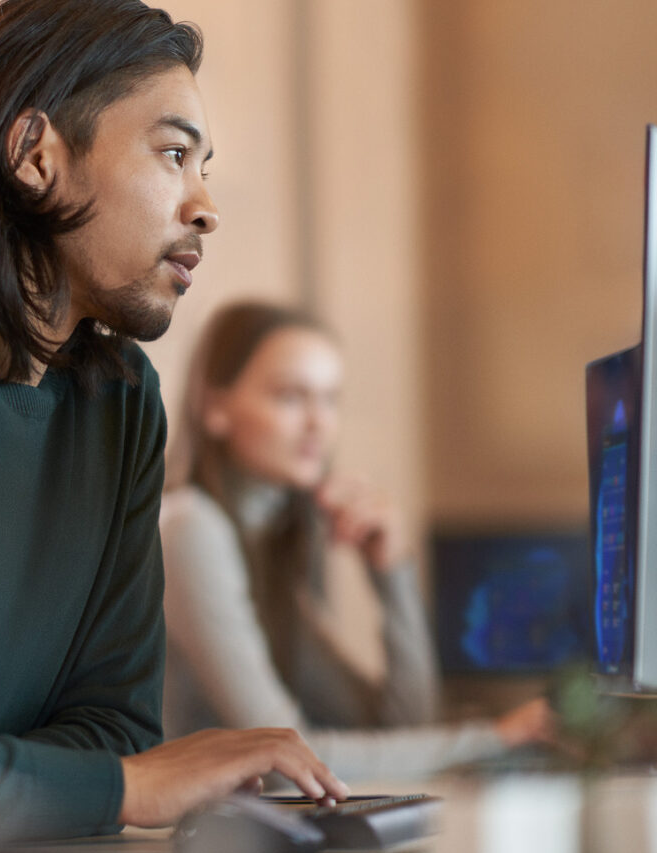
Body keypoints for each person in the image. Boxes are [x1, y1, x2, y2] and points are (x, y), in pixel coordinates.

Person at [0, 0, 349, 850]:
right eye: (174, 154)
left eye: (205, 165)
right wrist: (112, 787)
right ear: (36, 155)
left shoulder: (121, 404)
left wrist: (78, 780)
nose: (205, 206)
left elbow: (114, 727)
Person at [158, 301, 553, 784]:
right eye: (290, 396)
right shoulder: (191, 528)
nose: (319, 423)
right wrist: (494, 739)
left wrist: (393, 575)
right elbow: (285, 761)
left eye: (329, 398)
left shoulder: (263, 551)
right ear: (214, 407)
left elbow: (403, 726)